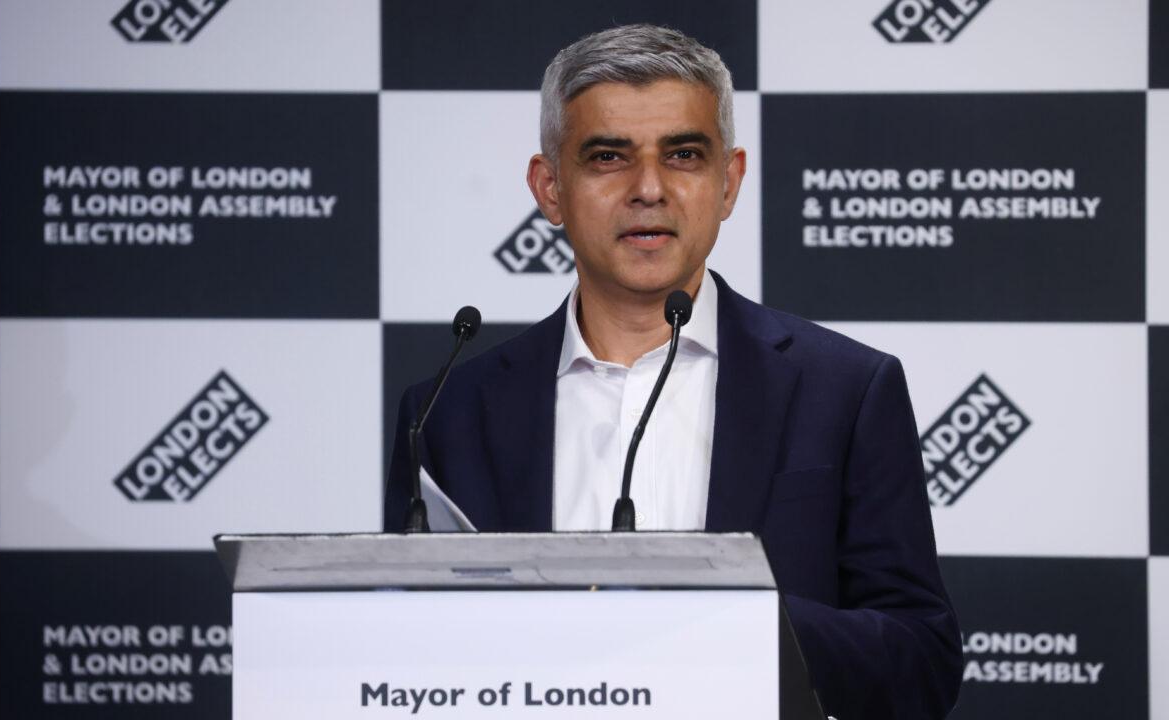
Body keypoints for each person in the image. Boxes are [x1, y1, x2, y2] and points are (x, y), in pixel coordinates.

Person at [386, 24, 962, 719]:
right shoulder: (447, 411)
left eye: (684, 154)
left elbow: (921, 662)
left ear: (728, 182)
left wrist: (729, 616)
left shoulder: (844, 390)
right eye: (607, 156)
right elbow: (403, 652)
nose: (649, 188)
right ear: (550, 189)